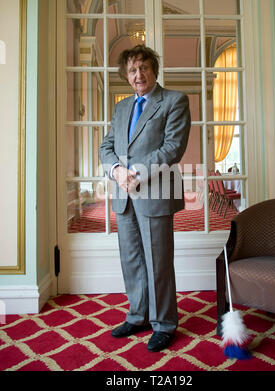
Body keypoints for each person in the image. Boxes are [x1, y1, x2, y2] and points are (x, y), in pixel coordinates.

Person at [100, 45, 191, 352]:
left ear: (154, 70)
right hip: (123, 194)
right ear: (126, 76)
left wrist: (134, 173)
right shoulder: (121, 107)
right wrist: (116, 171)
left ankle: (164, 323)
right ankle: (138, 315)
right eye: (132, 70)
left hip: (155, 192)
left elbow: (172, 148)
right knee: (132, 260)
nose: (138, 75)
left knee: (158, 261)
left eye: (143, 68)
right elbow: (106, 146)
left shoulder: (174, 101)